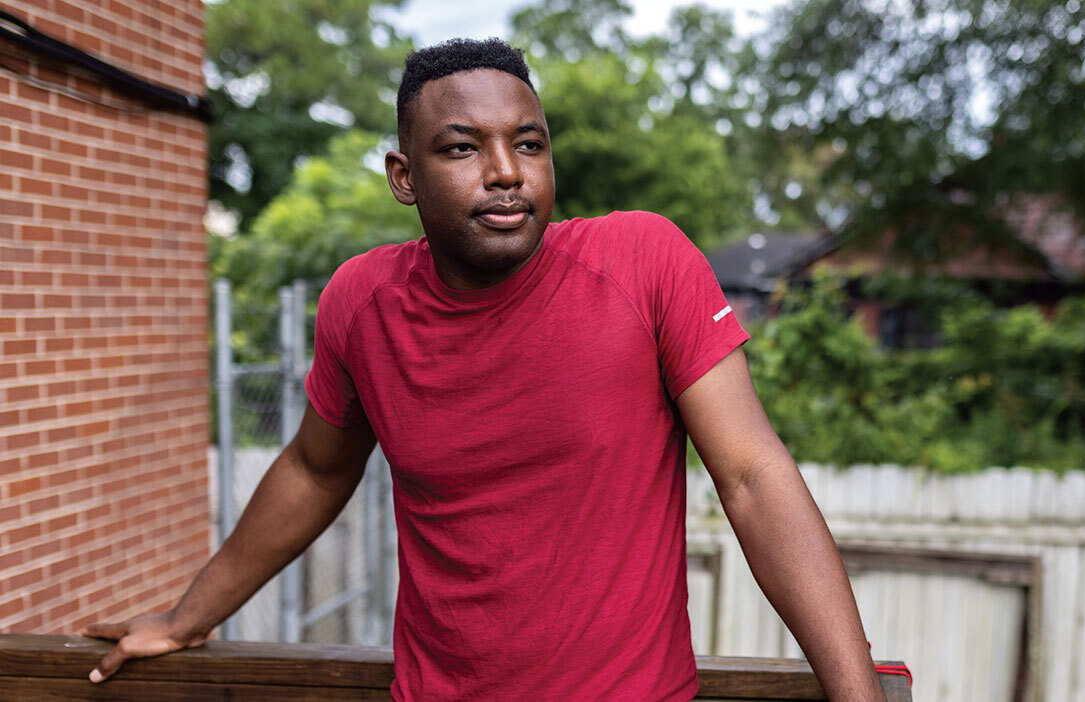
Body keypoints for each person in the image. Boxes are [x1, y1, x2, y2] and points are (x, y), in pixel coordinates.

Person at [78, 38, 886, 701]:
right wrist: (188, 619)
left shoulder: (644, 262)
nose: (506, 172)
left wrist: (858, 699)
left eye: (527, 144)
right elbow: (314, 471)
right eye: (463, 148)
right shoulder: (362, 304)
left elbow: (751, 475)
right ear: (404, 177)